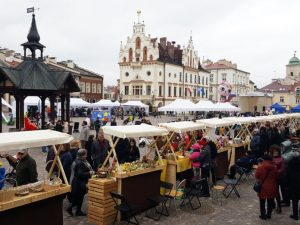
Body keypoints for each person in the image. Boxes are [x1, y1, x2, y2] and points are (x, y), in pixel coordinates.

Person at [67, 149, 94, 216]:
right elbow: (79, 174)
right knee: (79, 197)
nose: (86, 156)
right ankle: (73, 209)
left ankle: (77, 211)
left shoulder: (78, 160)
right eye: (85, 154)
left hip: (77, 182)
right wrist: (89, 173)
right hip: (79, 183)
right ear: (82, 155)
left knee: (79, 197)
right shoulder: (79, 163)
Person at [255, 154, 278, 220]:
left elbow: (256, 176)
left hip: (263, 187)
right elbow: (277, 176)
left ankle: (263, 215)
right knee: (270, 202)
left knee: (262, 202)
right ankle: (269, 215)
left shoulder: (260, 167)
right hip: (272, 186)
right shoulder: (275, 167)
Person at [283, 155, 300, 220]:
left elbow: (286, 177)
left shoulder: (289, 167)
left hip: (293, 187)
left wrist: (285, 185)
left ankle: (295, 215)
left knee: (295, 202)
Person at [270, 144, 284, 214]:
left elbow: (282, 169)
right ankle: (272, 205)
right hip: (270, 177)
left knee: (276, 192)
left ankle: (279, 207)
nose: (275, 153)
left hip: (277, 178)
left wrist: (275, 171)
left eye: (277, 151)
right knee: (271, 191)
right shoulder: (270, 158)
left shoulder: (281, 159)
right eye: (274, 151)